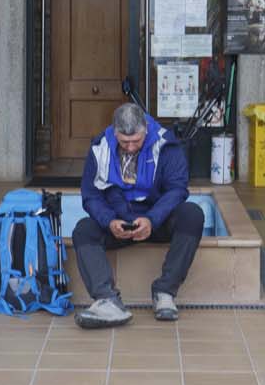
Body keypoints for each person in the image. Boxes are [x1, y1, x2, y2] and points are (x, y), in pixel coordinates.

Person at [72, 103, 205, 328]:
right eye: (125, 142)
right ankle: (107, 300)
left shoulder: (166, 145)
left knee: (192, 215)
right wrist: (109, 221)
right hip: (119, 221)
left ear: (146, 130)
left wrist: (152, 219)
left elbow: (177, 189)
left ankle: (165, 292)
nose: (131, 147)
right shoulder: (100, 148)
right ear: (115, 133)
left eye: (136, 141)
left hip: (157, 221)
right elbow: (91, 195)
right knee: (84, 229)